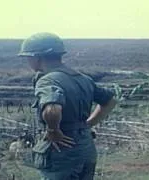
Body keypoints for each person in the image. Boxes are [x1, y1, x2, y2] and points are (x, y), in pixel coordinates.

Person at [18, 32, 117, 180]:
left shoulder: (47, 80)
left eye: (27, 57)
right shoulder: (83, 78)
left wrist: (53, 130)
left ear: (37, 57)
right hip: (85, 147)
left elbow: (52, 109)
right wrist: (88, 124)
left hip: (61, 149)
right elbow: (110, 101)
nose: (27, 61)